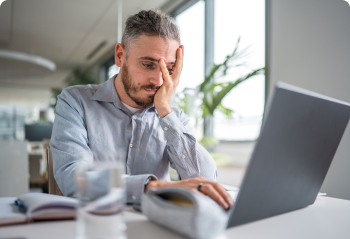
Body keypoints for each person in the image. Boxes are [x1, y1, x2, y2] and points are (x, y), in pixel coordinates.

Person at [51, 9, 233, 209]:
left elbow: (205, 182)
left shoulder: (174, 118)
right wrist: (152, 187)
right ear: (120, 56)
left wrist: (164, 110)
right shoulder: (76, 101)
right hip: (96, 224)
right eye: (148, 64)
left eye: (169, 69)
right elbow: (75, 179)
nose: (158, 80)